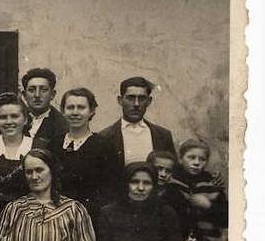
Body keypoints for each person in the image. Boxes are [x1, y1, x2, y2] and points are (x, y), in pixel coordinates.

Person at [37, 87, 119, 220]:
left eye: (81, 108)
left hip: (89, 217)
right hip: (54, 216)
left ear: (91, 112)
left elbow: (110, 190)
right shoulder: (54, 145)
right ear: (63, 111)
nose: (75, 112)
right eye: (70, 107)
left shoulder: (104, 146)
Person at [97, 76, 176, 173]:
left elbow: (172, 170)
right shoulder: (104, 137)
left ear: (149, 101)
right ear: (120, 100)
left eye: (142, 98)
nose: (136, 104)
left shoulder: (163, 135)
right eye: (130, 98)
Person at [0, 92, 34, 203]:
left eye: (14, 116)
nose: (9, 122)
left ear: (25, 120)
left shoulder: (39, 147)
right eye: (3, 117)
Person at [147, 149, 191, 239]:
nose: (163, 174)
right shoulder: (141, 191)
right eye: (159, 169)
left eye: (168, 171)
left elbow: (183, 228)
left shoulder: (177, 196)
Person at [20, 67, 68, 145]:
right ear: (24, 95)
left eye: (44, 90)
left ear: (52, 94)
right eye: (32, 90)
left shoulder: (62, 125)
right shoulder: (15, 119)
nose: (37, 95)